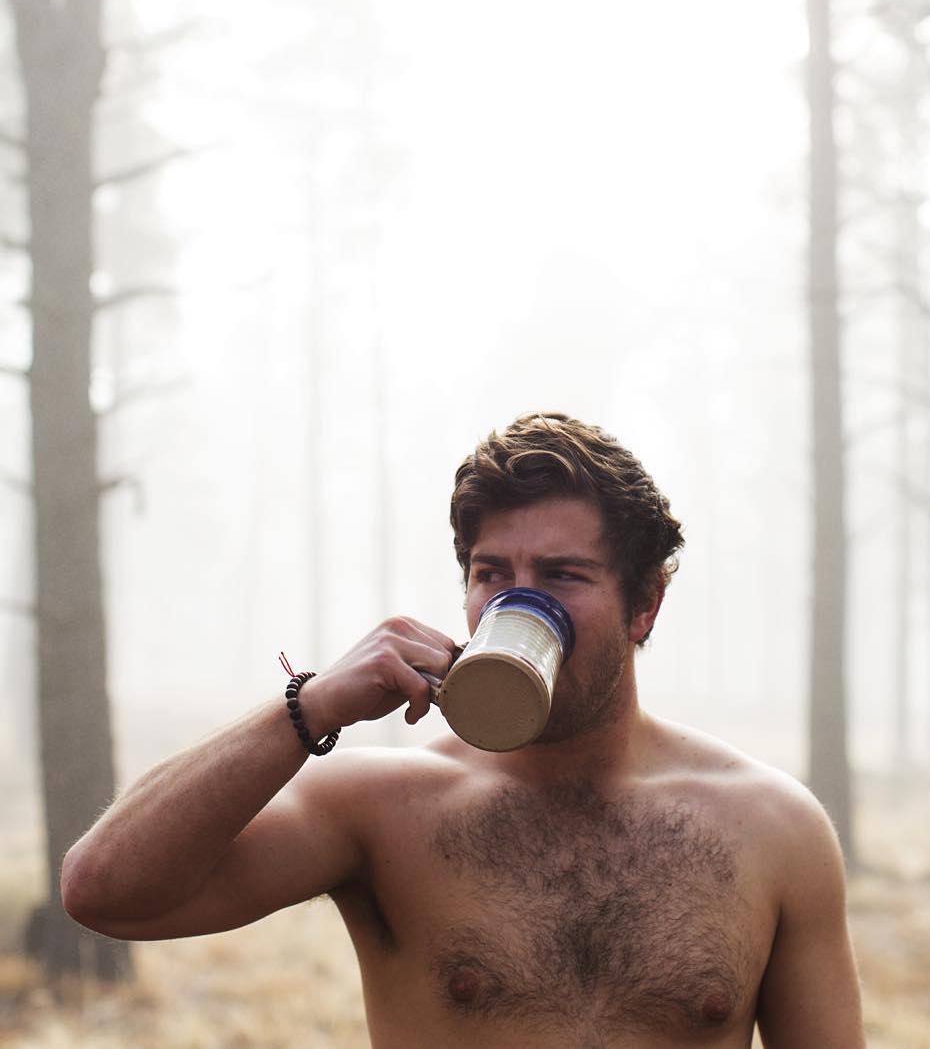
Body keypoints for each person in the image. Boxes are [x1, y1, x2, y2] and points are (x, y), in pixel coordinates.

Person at [63, 412, 865, 1048]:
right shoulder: (384, 807)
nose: (518, 604)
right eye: (492, 576)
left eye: (561, 576)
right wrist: (310, 707)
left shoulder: (771, 827)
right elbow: (104, 892)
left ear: (644, 604)